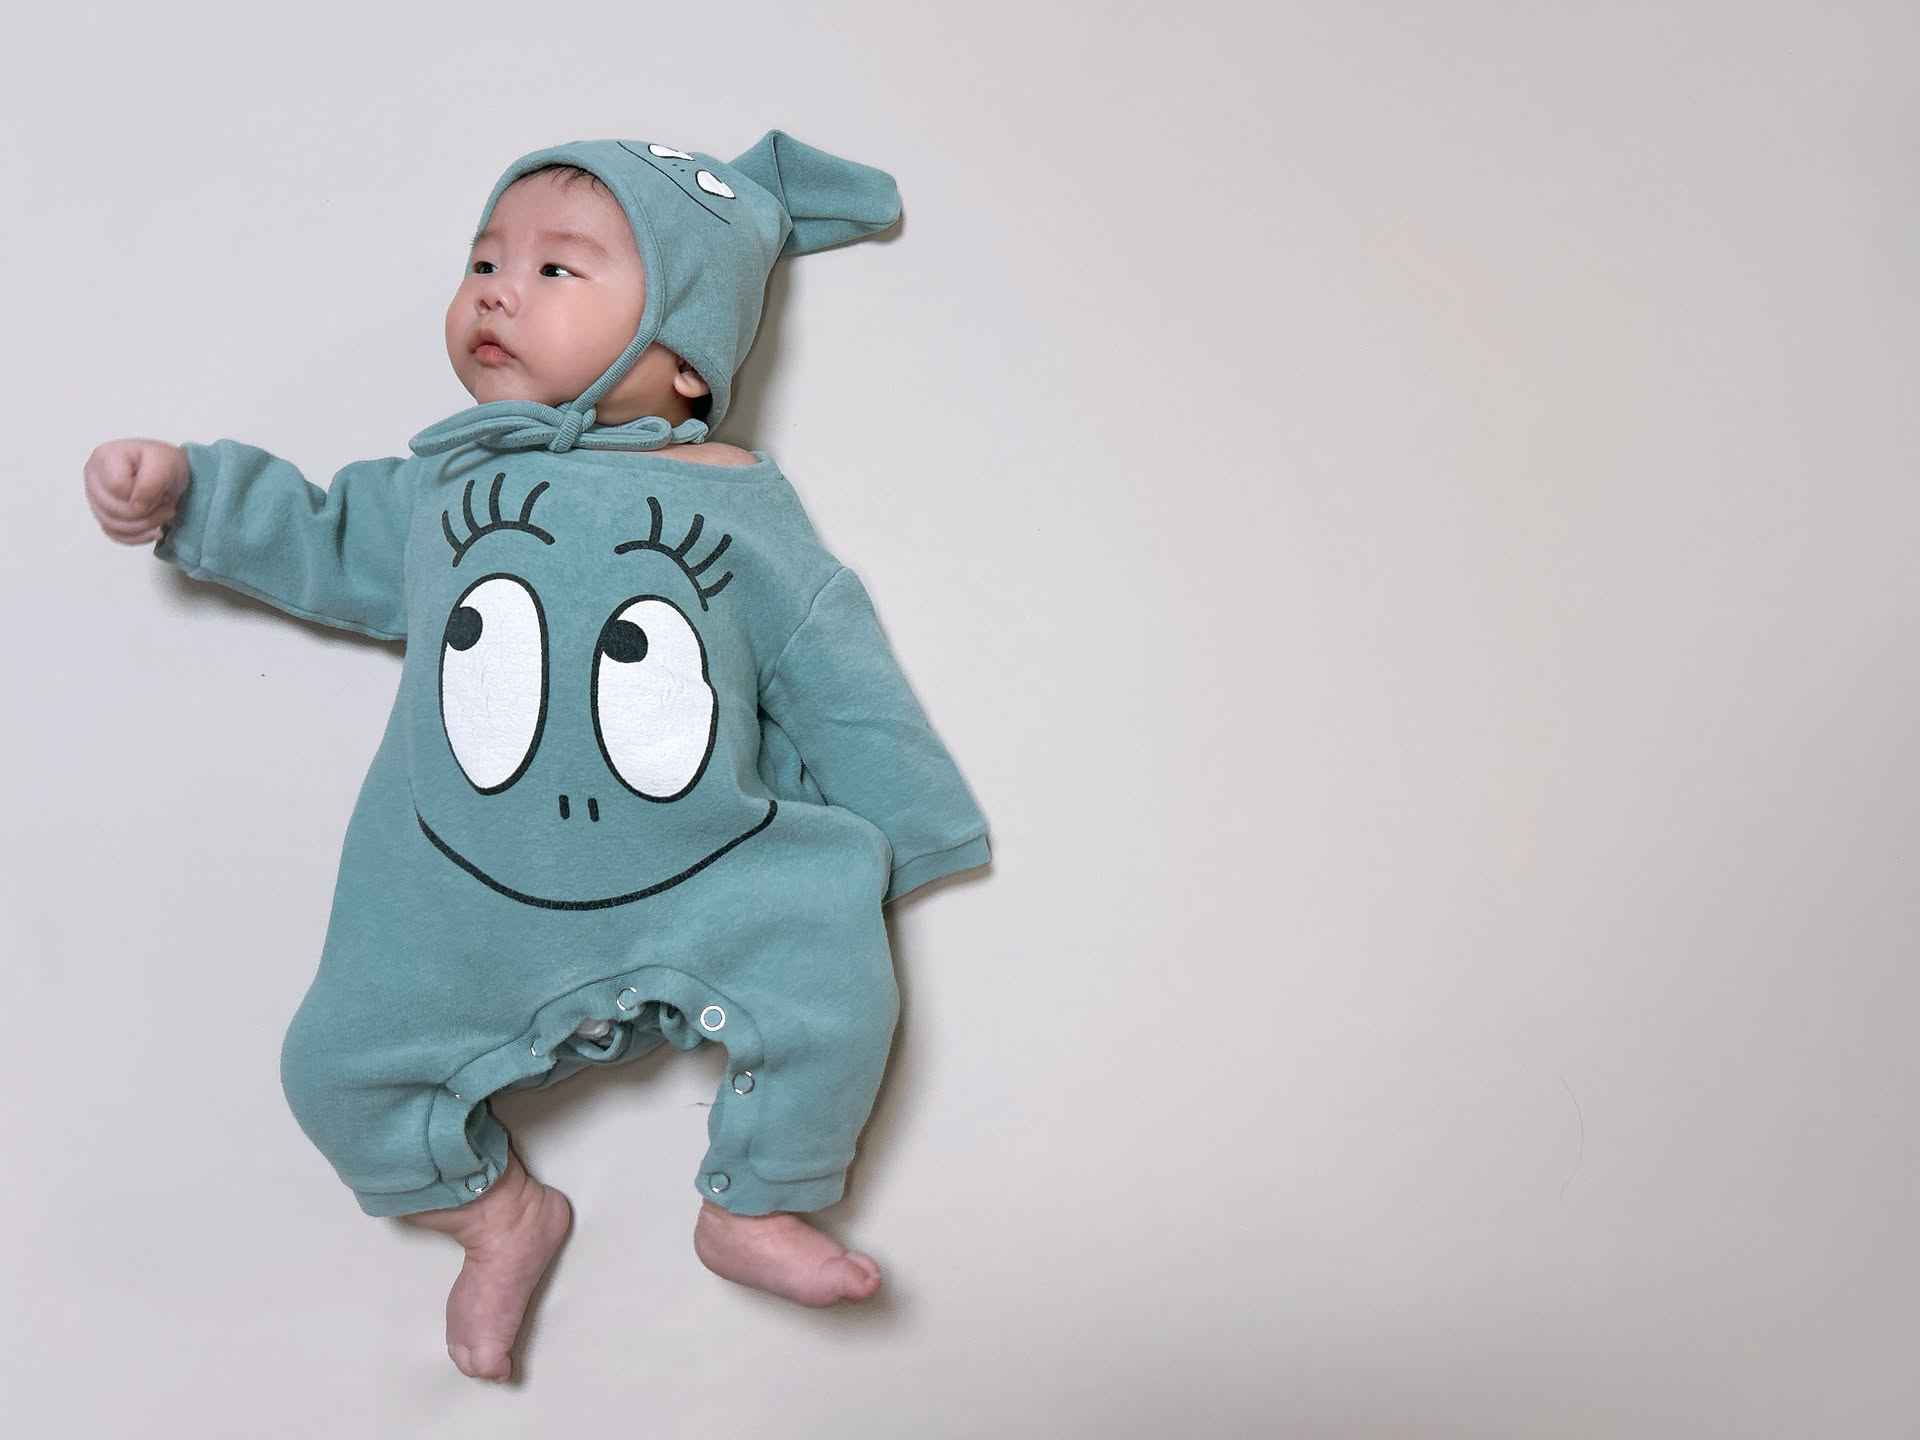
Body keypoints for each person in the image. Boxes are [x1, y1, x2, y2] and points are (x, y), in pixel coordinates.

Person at [82, 132, 988, 1383]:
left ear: (686, 358)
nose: (498, 293)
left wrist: (909, 822)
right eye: (484, 262)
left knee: (832, 975)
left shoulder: (738, 501)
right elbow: (324, 530)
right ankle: (497, 1215)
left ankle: (756, 1202)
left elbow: (830, 657)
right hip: (456, 910)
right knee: (331, 1070)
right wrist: (189, 492)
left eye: (556, 270)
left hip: (704, 877)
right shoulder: (446, 490)